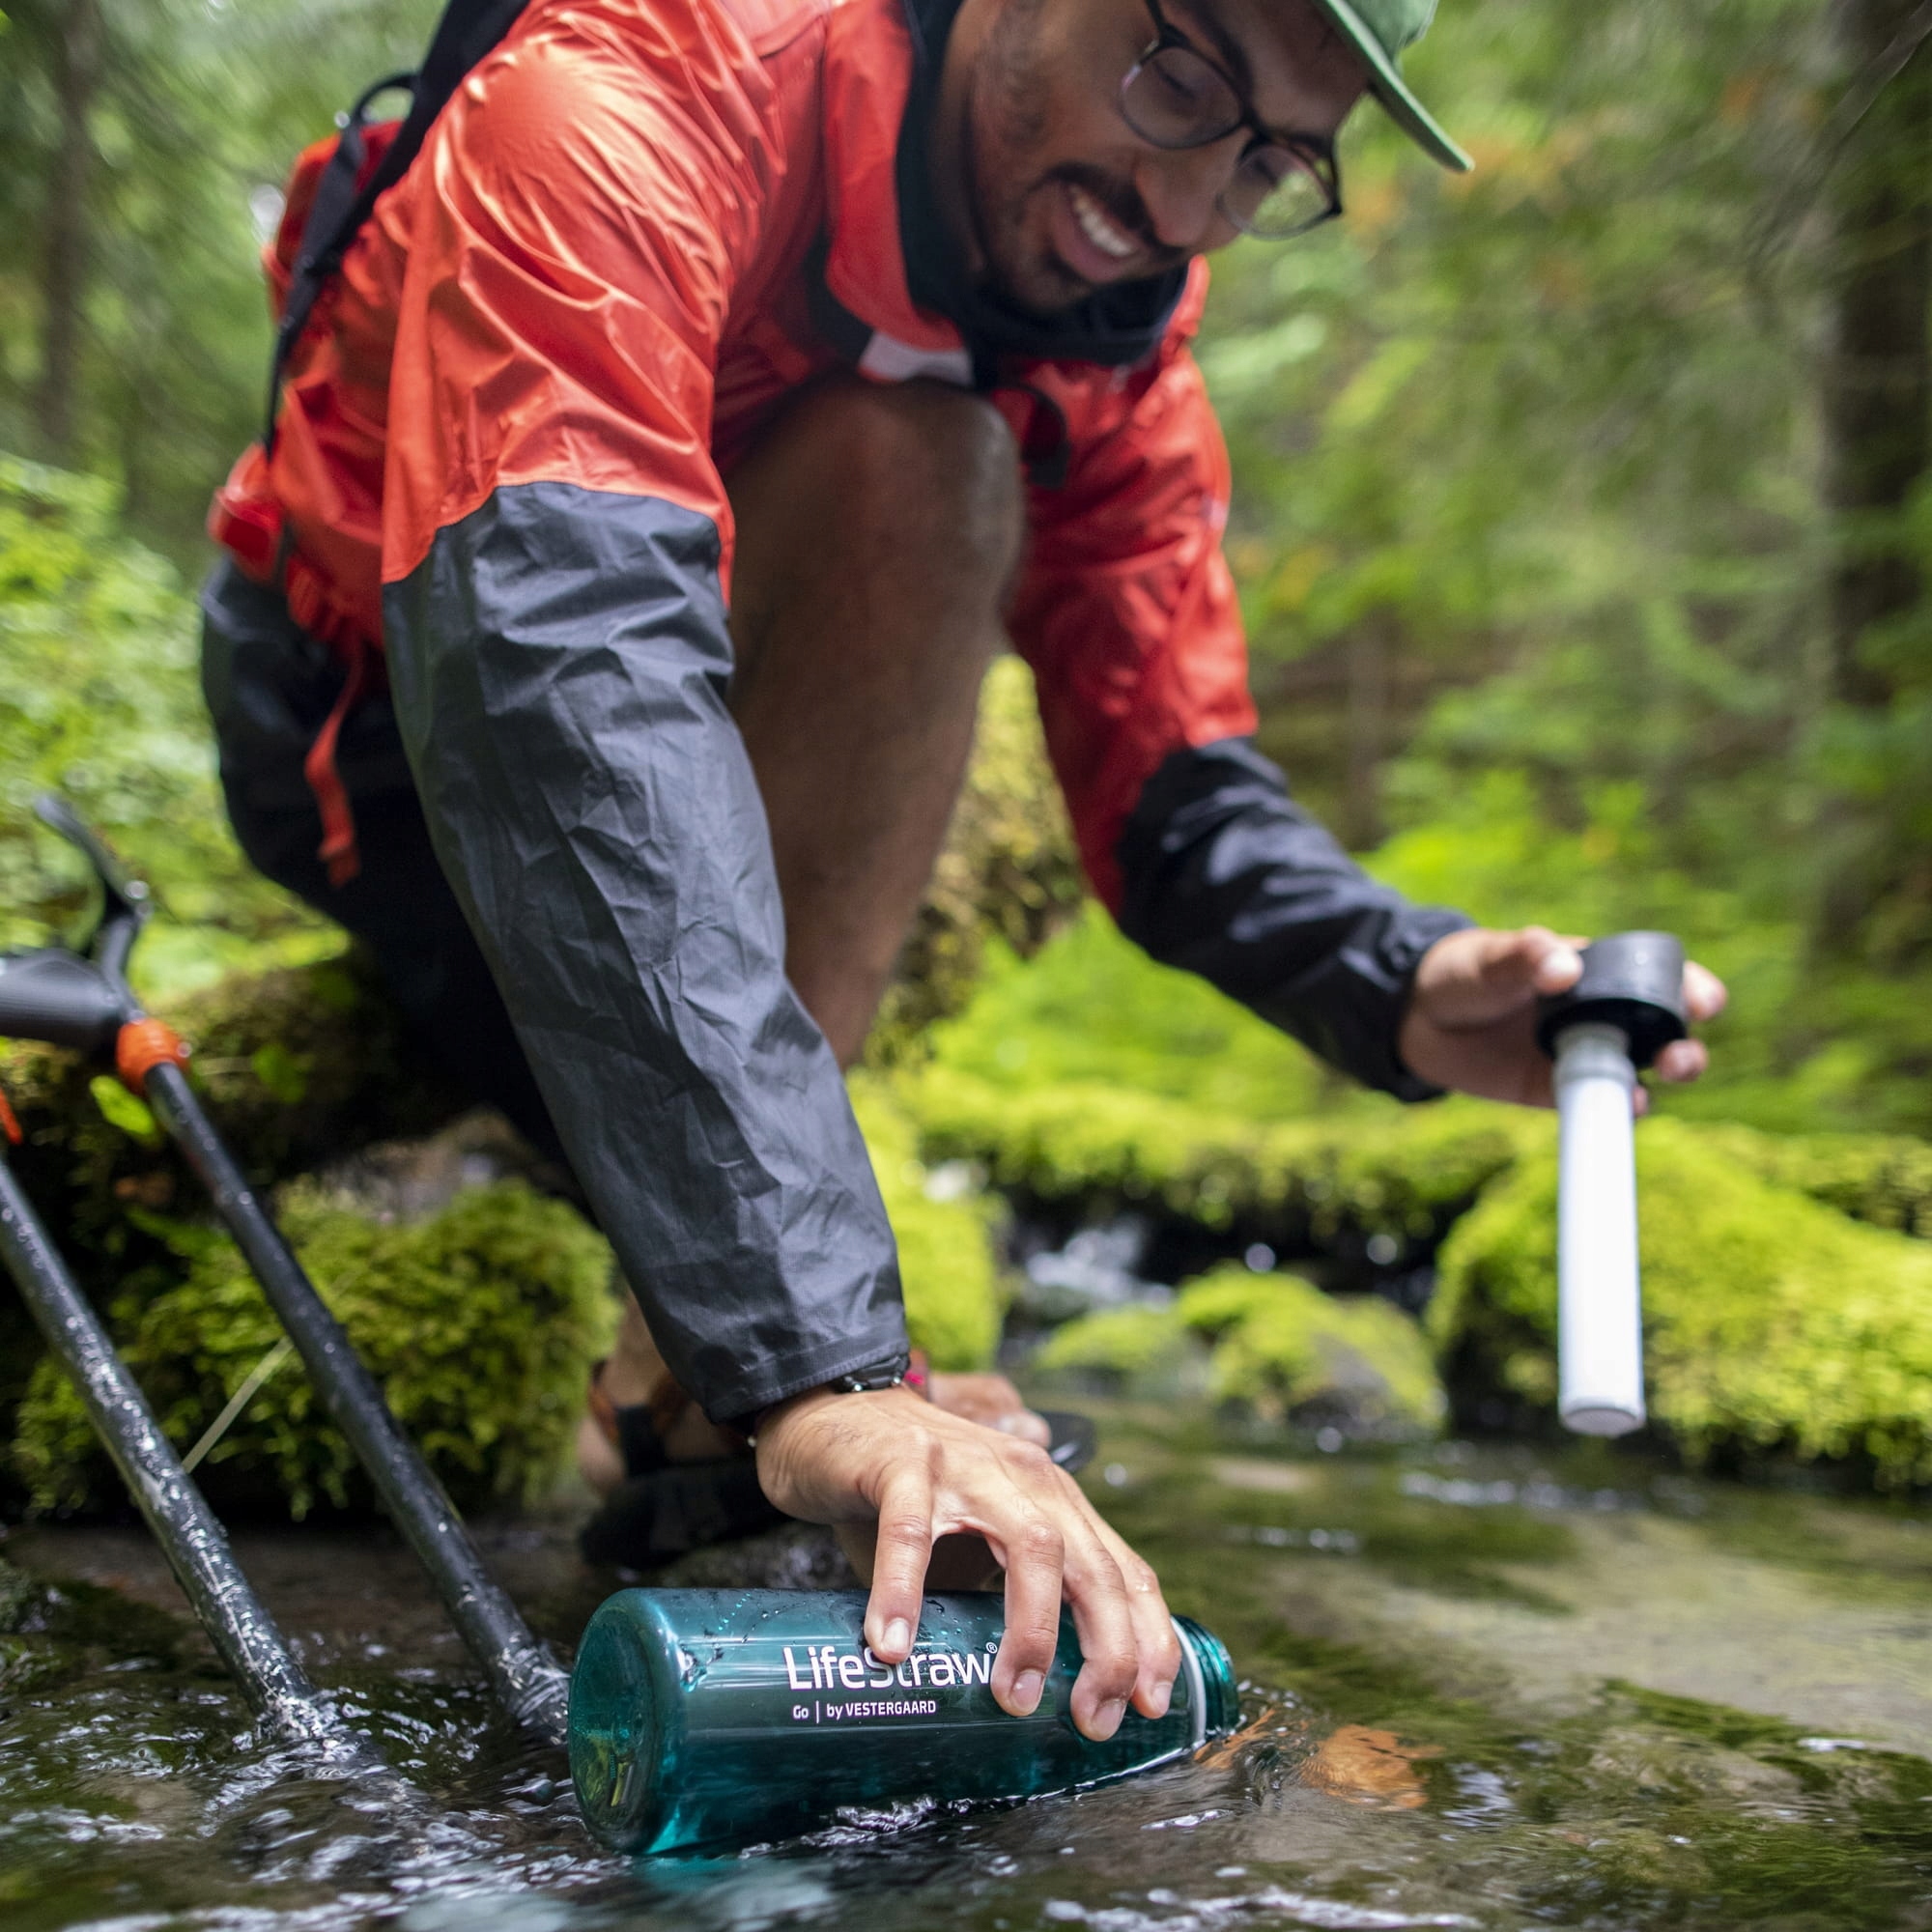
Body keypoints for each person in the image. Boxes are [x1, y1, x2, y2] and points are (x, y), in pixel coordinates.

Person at [200, 0, 1725, 1747]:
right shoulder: (632, 85)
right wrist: (825, 1372)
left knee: (938, 453)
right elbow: (562, 666)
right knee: (913, 461)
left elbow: (1172, 780)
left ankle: (682, 1384)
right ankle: (727, 1381)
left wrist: (1399, 978)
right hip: (375, 732)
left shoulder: (1110, 327)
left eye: (1273, 159)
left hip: (612, 734)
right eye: (1184, 81)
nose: (1187, 204)